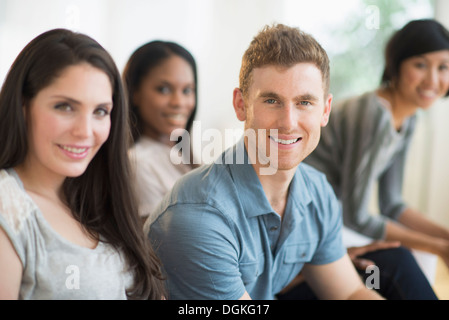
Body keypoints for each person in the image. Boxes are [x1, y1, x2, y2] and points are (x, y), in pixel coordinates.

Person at [147, 23, 384, 300]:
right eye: (271, 100)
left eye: (305, 102)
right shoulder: (198, 216)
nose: (288, 122)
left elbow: (350, 292)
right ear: (240, 104)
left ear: (325, 110)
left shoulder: (317, 191)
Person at [0, 28, 165, 299]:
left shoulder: (97, 200)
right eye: (65, 107)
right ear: (23, 106)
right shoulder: (9, 207)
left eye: (100, 111)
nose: (85, 131)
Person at [304, 19, 449, 270]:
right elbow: (357, 216)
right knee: (416, 257)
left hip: (328, 214)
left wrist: (444, 238)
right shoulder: (373, 115)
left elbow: (392, 203)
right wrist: (438, 246)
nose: (432, 80)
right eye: (420, 65)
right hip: (304, 216)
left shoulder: (409, 118)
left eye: (444, 67)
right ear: (395, 65)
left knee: (424, 255)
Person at [123, 41, 198, 221]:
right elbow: (159, 243)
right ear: (135, 93)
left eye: (187, 90)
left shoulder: (185, 159)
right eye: (164, 89)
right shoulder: (139, 163)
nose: (178, 102)